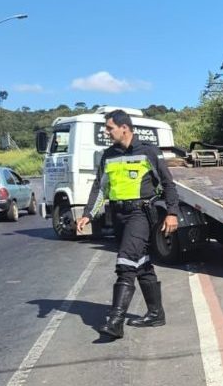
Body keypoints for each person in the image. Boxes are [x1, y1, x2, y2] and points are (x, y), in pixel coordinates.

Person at [76, 109, 180, 339]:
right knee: (140, 263)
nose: (106, 132)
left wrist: (172, 213)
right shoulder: (108, 155)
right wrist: (88, 214)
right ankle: (156, 314)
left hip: (140, 214)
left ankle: (115, 321)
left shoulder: (148, 151)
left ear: (124, 127)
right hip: (118, 216)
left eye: (109, 128)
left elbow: (168, 184)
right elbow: (100, 188)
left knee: (125, 263)